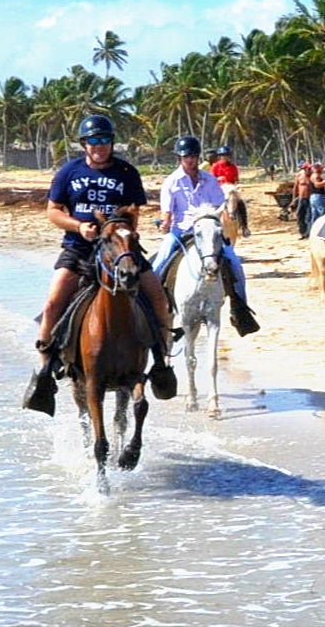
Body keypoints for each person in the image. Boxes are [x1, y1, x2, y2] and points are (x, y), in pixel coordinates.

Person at [23, 113, 173, 413]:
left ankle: (161, 360)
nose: (100, 146)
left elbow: (134, 214)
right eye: (94, 141)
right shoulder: (69, 172)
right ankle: (44, 371)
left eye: (105, 140)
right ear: (84, 144)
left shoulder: (127, 173)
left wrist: (119, 234)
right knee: (53, 304)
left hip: (118, 247)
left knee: (157, 296)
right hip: (78, 248)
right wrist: (79, 226)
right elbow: (53, 212)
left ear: (112, 143)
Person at [155, 135, 259, 335]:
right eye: (186, 157)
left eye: (193, 156)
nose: (190, 160)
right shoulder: (171, 182)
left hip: (207, 231)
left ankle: (240, 310)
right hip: (182, 231)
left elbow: (218, 206)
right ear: (179, 158)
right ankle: (153, 309)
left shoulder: (210, 180)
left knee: (235, 264)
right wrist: (165, 223)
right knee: (158, 264)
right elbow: (166, 213)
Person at [294, 161, 316, 237]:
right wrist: (294, 199)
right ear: (305, 168)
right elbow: (295, 187)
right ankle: (302, 232)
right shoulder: (299, 175)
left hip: (310, 198)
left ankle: (308, 233)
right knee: (300, 215)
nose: (309, 170)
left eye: (310, 168)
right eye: (308, 168)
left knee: (309, 216)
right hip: (301, 198)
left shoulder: (313, 176)